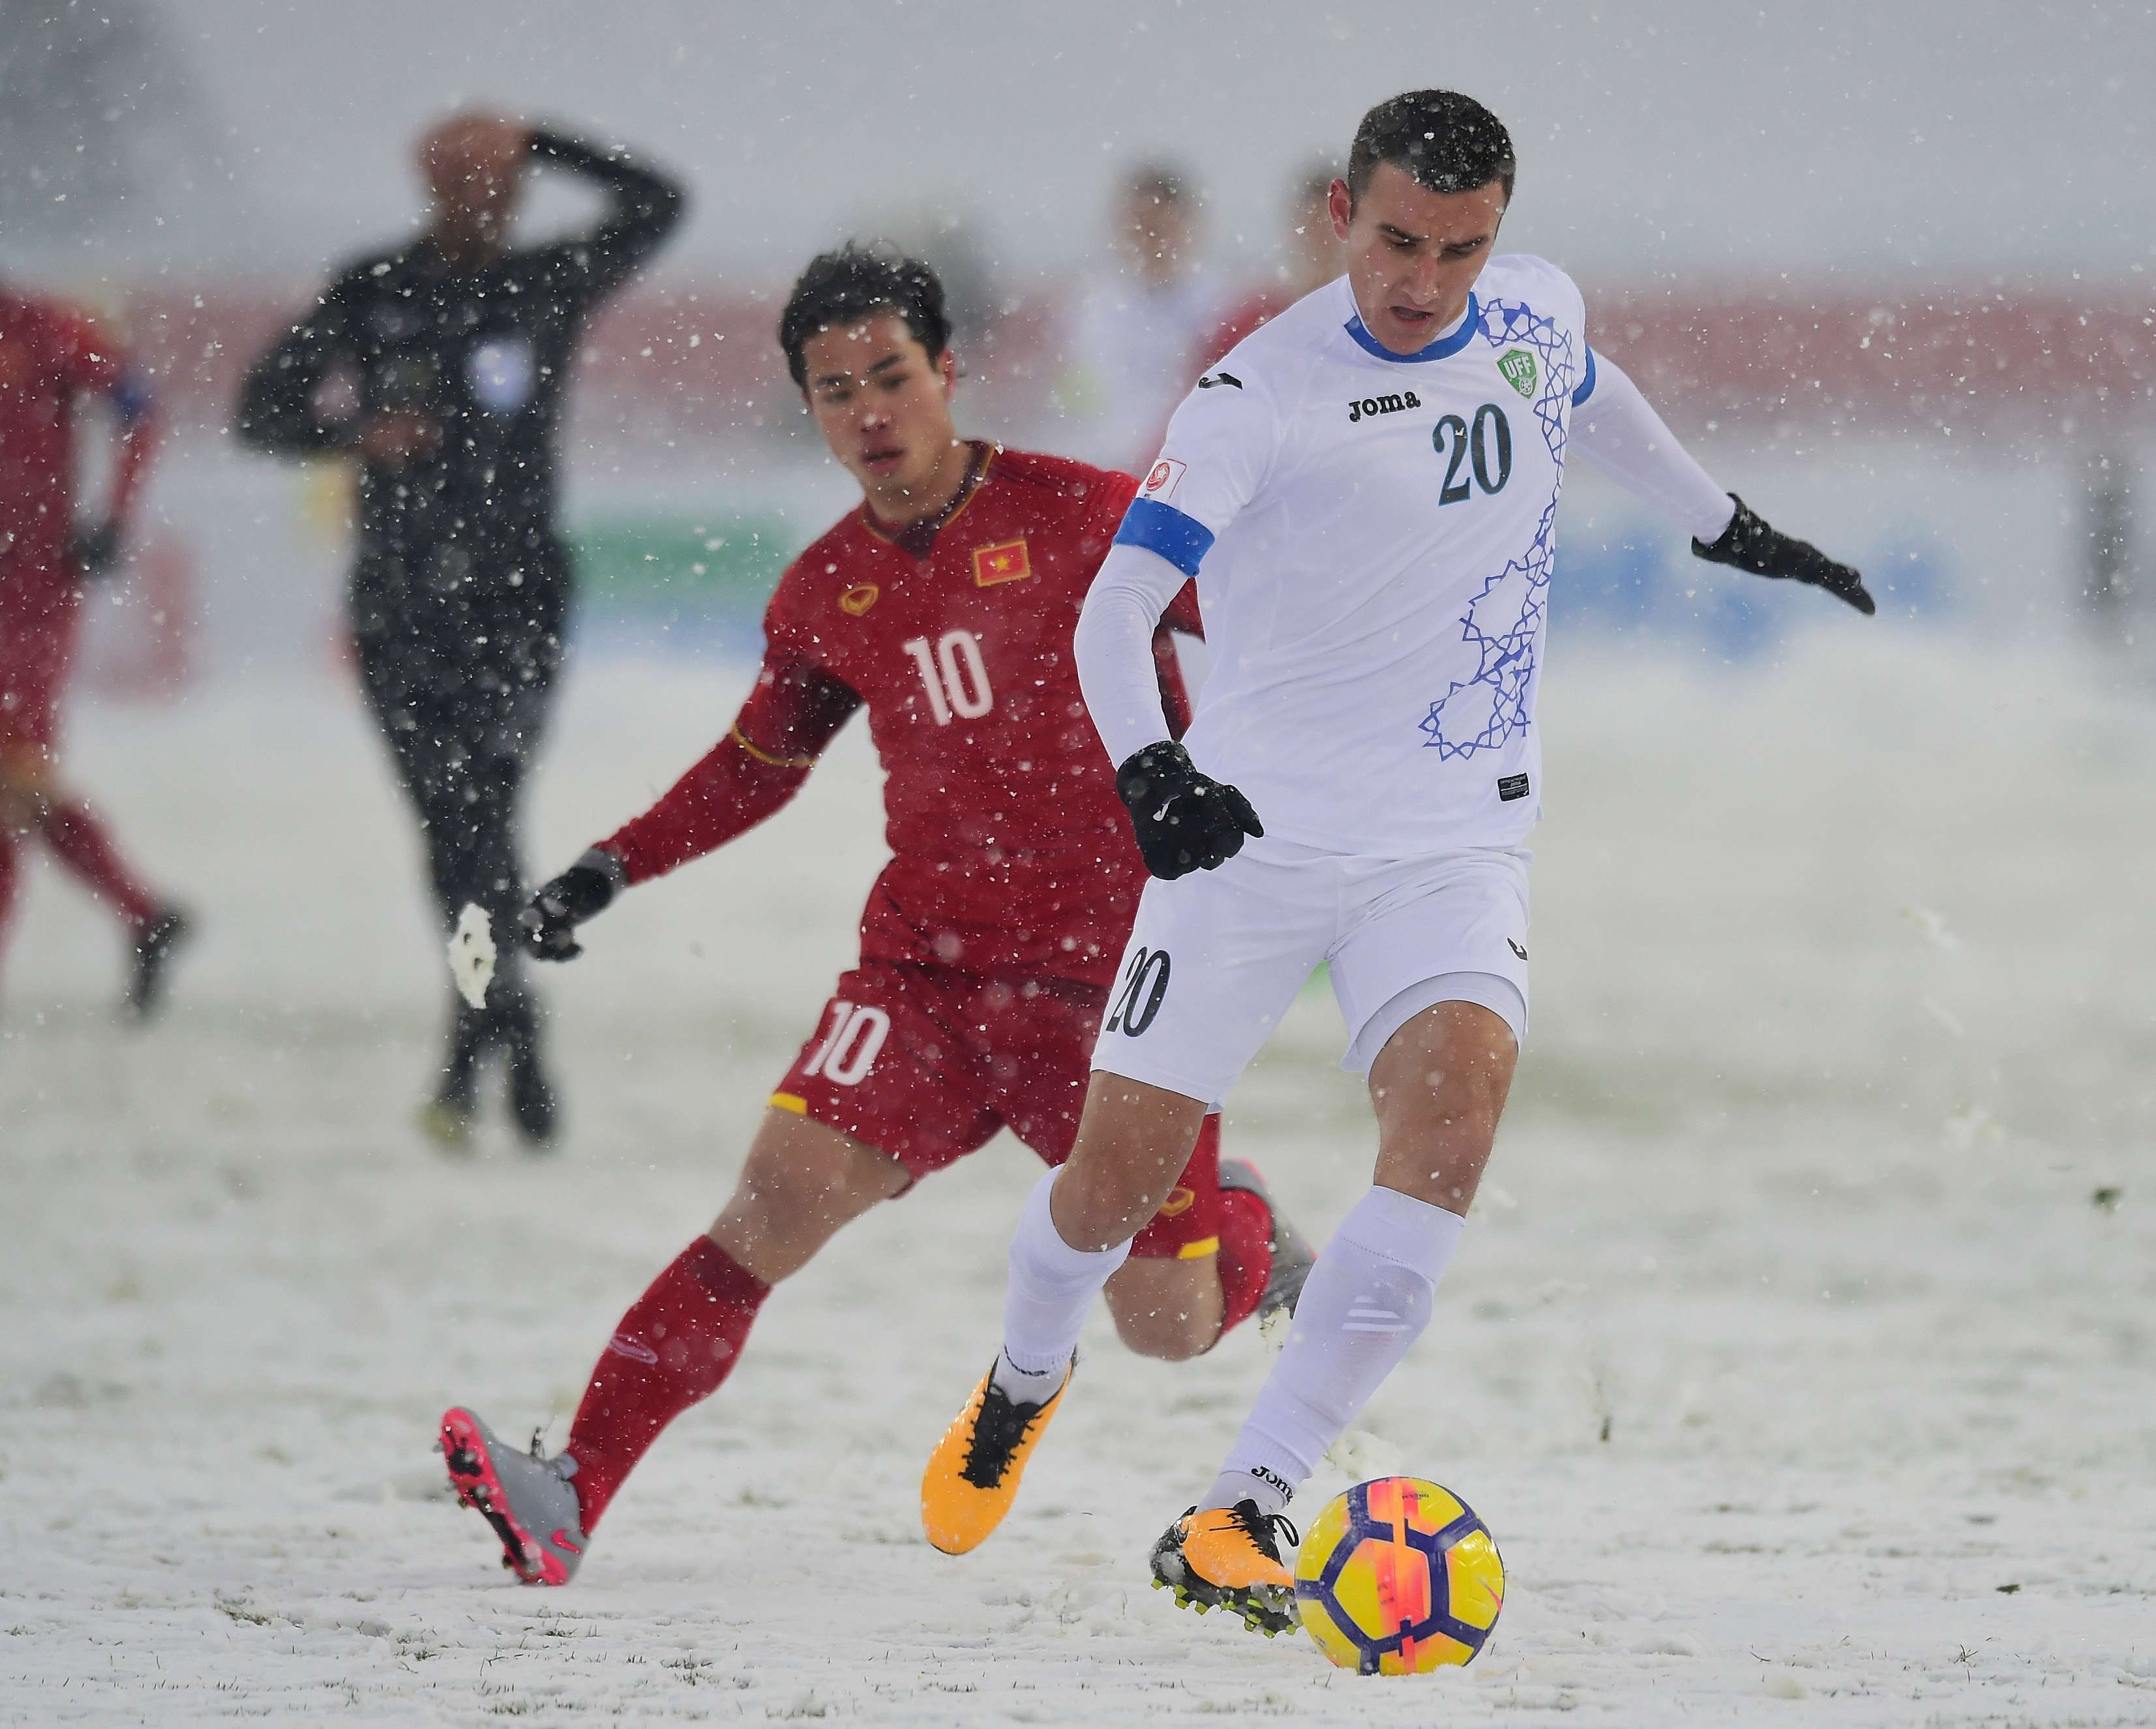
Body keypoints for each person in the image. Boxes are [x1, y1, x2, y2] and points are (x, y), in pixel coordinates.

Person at [920, 89, 1876, 1633]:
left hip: (1451, 832)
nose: (1426, 277)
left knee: (1453, 1120)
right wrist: (1151, 769)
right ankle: (1025, 1370)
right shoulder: (1256, 391)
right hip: (1249, 833)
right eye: (1398, 241)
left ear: (1501, 233)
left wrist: (1724, 521)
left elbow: (1593, 390)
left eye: (1463, 245)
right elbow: (1117, 608)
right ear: (1340, 218)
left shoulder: (1534, 309)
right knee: (1112, 1186)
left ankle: (1253, 1498)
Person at [435, 246, 1312, 1587]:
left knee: (1167, 1324)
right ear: (810, 408)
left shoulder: (1092, 519)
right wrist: (607, 871)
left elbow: (1267, 641)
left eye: (891, 376)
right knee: (767, 1208)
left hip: (1121, 988)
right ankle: (569, 1493)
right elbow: (752, 768)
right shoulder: (822, 592)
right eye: (835, 389)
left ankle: (1239, 1220)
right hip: (924, 979)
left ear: (946, 373)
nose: (869, 411)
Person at [235, 110, 684, 1146]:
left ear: (520, 190)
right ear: (428, 184)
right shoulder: (377, 288)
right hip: (398, 602)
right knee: (452, 831)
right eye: (465, 180)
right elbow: (260, 410)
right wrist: (354, 432)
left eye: (501, 182)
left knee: (483, 816)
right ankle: (510, 1034)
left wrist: (543, 138)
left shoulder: (548, 283)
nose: (487, 200)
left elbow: (661, 203)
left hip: (517, 597)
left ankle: (481, 1044)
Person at [0, 281, 188, 1016]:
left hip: (30, 590)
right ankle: (146, 915)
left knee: (13, 780)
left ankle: (146, 915)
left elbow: (139, 409)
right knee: (18, 779)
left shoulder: (38, 327)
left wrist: (113, 515)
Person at [1053, 165, 1230, 471]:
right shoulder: (1088, 310)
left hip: (1191, 471)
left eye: (1160, 228)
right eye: (1139, 226)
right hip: (1108, 474)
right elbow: (1073, 408)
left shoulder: (1222, 306)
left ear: (1188, 228)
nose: (1150, 240)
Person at [1196, 159, 1347, 370]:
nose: (1322, 240)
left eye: (1331, 229)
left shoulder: (1382, 323)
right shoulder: (1251, 321)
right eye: (1314, 226)